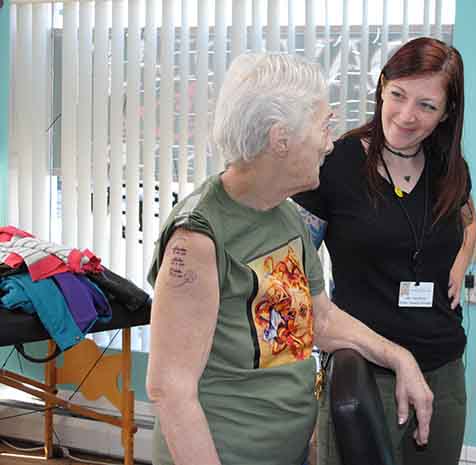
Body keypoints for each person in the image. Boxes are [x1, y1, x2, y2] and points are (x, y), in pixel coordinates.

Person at [145, 52, 433, 465]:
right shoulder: (197, 239)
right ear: (281, 139)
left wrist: (398, 357)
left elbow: (319, 319)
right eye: (323, 127)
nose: (329, 143)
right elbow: (170, 390)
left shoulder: (284, 213)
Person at [293, 37, 476, 465]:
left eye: (427, 105)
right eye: (398, 95)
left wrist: (463, 257)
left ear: (447, 112)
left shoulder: (450, 170)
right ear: (381, 87)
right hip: (362, 372)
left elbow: (470, 222)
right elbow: (292, 271)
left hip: (442, 371)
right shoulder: (335, 164)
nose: (407, 115)